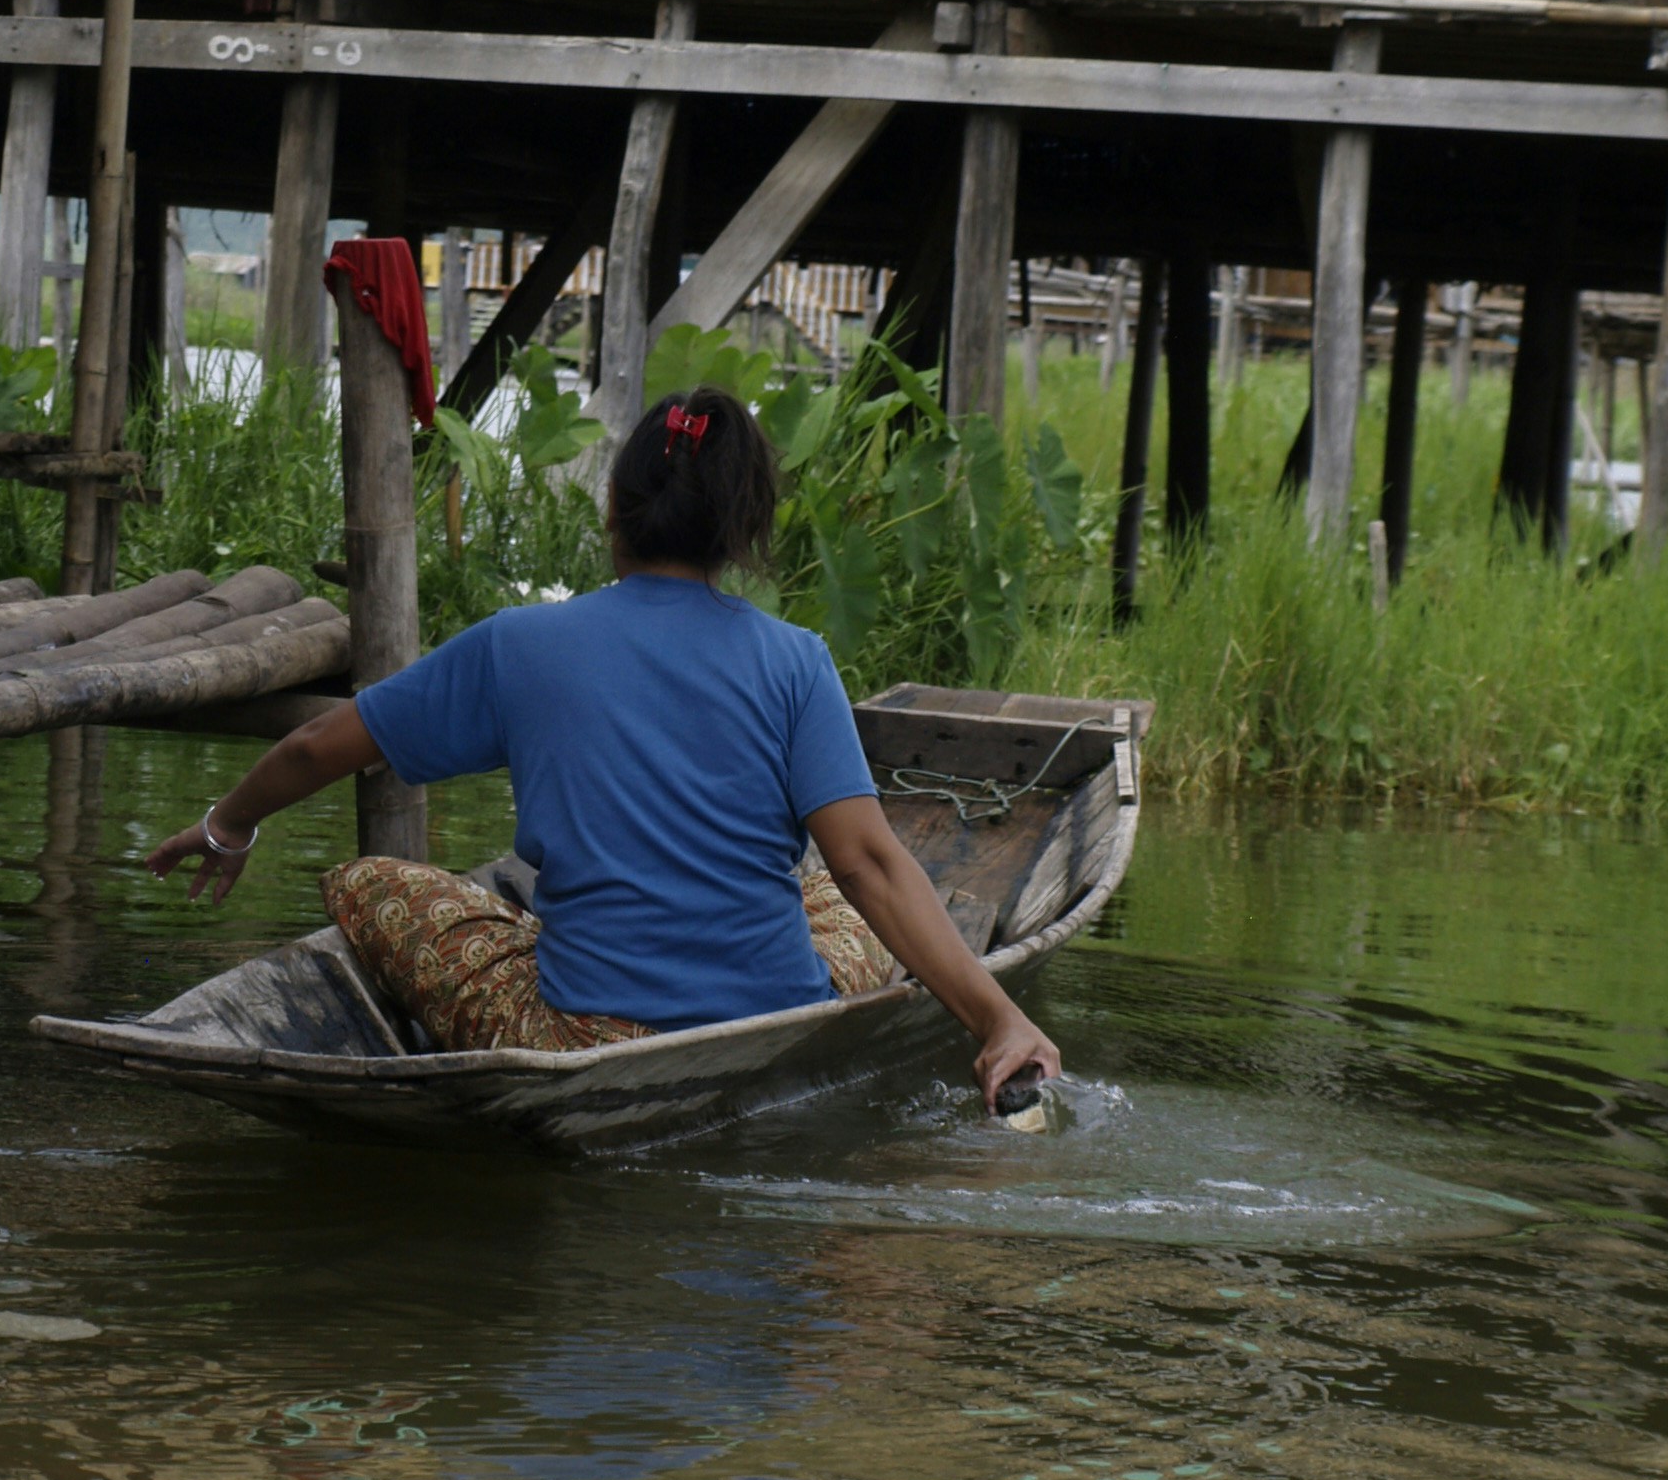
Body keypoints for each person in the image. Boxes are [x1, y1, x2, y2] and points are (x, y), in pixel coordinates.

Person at [149, 387, 1063, 1115]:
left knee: (369, 881)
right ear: (740, 531)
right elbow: (868, 862)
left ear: (615, 512)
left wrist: (229, 826)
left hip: (588, 1034)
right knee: (830, 886)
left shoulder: (521, 644)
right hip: (780, 1009)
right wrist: (997, 1015)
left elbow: (316, 747)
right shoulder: (795, 659)